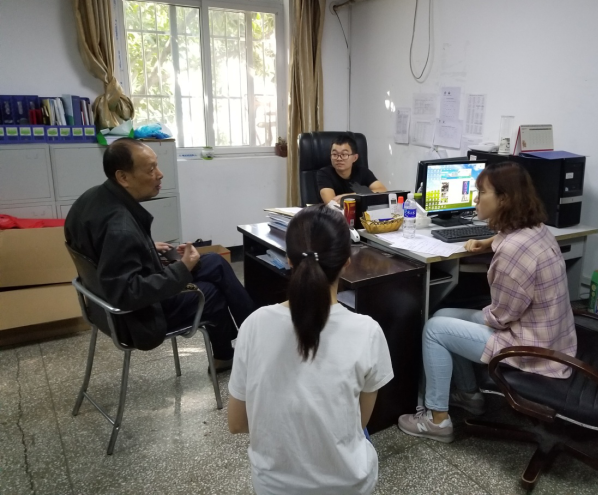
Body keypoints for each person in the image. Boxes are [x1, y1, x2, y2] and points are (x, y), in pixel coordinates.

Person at [398, 161, 577, 443]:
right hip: (550, 337)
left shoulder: (513, 252)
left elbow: (500, 318)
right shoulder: (537, 229)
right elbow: (509, 239)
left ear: (504, 199)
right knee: (444, 314)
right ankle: (469, 396)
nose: (475, 199)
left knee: (435, 329)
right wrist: (489, 242)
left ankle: (437, 420)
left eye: (482, 192)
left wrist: (476, 318)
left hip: (530, 347)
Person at [227, 205, 394, 495]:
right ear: (347, 262)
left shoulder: (254, 325)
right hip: (348, 486)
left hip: (273, 488)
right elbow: (358, 423)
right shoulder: (368, 331)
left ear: (288, 259)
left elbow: (237, 423)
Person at [64, 138, 254, 371]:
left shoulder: (91, 199)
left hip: (103, 306)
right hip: (137, 318)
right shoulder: (120, 228)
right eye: (151, 169)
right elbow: (128, 293)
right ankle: (241, 346)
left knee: (214, 262)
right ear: (123, 177)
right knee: (211, 293)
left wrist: (145, 247)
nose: (160, 174)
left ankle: (252, 333)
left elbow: (102, 251)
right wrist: (182, 268)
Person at [316, 134, 387, 204]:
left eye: (344, 154)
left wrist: (351, 196)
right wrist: (363, 196)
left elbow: (383, 191)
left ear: (355, 158)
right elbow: (332, 203)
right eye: (334, 154)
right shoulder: (324, 174)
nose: (339, 159)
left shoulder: (363, 171)